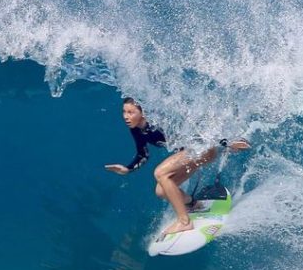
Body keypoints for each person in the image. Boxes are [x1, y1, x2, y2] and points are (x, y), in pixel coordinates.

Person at [105, 97, 250, 236]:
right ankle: (193, 204)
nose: (125, 116)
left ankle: (184, 221)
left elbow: (194, 130)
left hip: (201, 150)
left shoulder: (158, 122)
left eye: (130, 112)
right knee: (161, 191)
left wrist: (226, 142)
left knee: (160, 173)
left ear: (142, 113)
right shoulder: (136, 129)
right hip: (189, 156)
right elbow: (143, 154)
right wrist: (128, 169)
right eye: (124, 112)